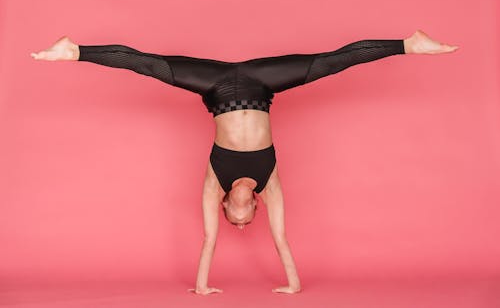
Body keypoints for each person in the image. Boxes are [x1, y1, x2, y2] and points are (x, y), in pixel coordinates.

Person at [30, 30, 458, 294]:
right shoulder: (268, 183)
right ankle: (410, 44)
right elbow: (283, 241)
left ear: (226, 205)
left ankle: (74, 51)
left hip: (215, 87)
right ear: (253, 205)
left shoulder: (214, 184)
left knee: (149, 65)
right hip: (262, 82)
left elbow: (208, 243)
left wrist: (201, 287)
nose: (239, 220)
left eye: (233, 219)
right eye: (244, 220)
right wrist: (293, 284)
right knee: (330, 63)